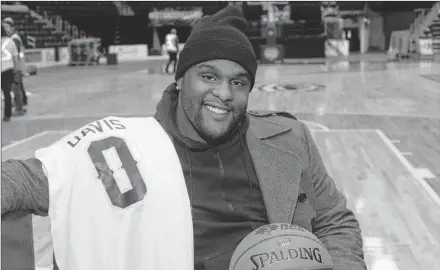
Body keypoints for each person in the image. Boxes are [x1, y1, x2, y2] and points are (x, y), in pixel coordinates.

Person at [1, 6, 367, 270]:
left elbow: (335, 220)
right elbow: (22, 182)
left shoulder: (289, 138)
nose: (224, 93)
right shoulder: (129, 151)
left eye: (238, 82)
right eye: (208, 76)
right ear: (180, 79)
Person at [3, 17, 27, 115]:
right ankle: (21, 104)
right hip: (16, 65)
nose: (5, 29)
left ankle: (19, 108)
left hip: (17, 66)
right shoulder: (12, 38)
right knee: (18, 86)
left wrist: (15, 68)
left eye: (6, 27)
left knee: (16, 87)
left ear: (11, 27)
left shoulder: (14, 38)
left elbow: (15, 54)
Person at [1, 23, 20, 122]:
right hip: (8, 69)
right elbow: (15, 57)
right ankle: (7, 115)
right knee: (7, 93)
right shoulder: (11, 42)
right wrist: (16, 70)